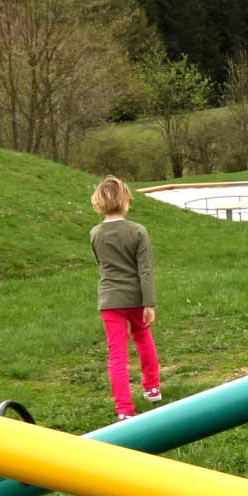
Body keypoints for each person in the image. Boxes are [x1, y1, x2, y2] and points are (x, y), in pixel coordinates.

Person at [89, 176, 162, 421]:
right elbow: (146, 270)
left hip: (109, 301)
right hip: (136, 298)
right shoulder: (138, 231)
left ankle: (124, 410)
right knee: (142, 337)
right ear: (125, 200)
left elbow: (102, 265)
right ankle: (152, 388)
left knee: (116, 355)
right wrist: (149, 302)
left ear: (98, 203)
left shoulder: (95, 234)